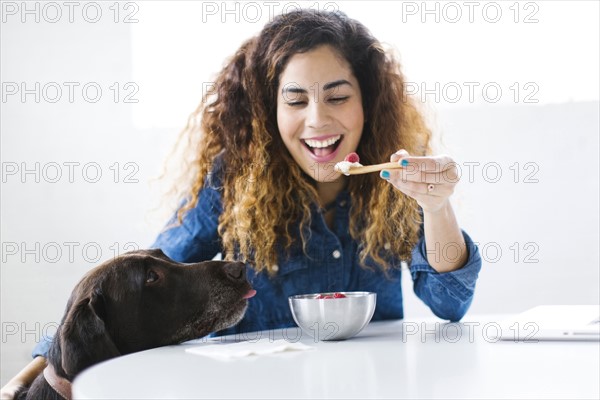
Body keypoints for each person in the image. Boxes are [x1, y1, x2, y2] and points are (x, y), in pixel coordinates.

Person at [1, 8, 481, 397]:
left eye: (337, 97)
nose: (317, 120)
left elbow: (449, 305)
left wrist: (437, 207)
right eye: (295, 101)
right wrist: (35, 374)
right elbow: (137, 288)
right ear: (269, 112)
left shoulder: (396, 178)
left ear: (367, 102)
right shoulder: (232, 184)